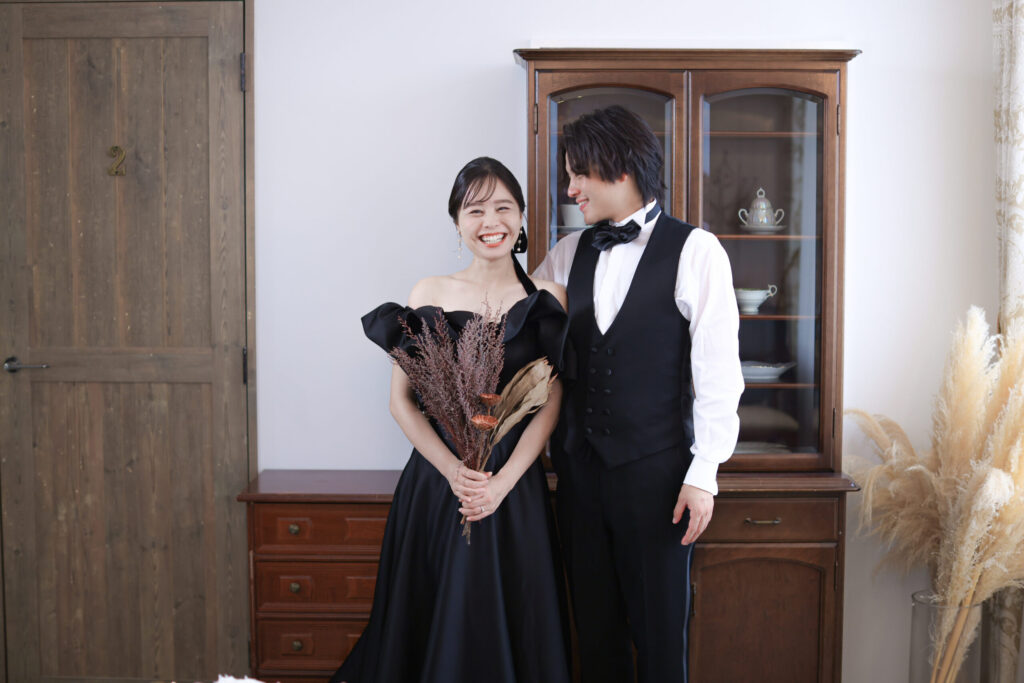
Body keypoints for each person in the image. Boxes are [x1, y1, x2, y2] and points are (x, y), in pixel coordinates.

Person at [330, 157, 572, 683]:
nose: (491, 221)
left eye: (503, 207)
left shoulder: (549, 297)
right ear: (457, 222)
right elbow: (401, 402)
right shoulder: (429, 292)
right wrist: (454, 473)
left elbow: (550, 402)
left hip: (513, 485)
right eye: (475, 210)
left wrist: (501, 484)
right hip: (440, 485)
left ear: (522, 216)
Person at [534, 105, 744, 683]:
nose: (570, 189)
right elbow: (517, 329)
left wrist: (704, 474)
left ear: (620, 167)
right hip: (578, 478)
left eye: (579, 174)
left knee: (660, 641)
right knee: (595, 638)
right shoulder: (567, 253)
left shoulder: (697, 251)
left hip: (659, 481)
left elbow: (719, 375)